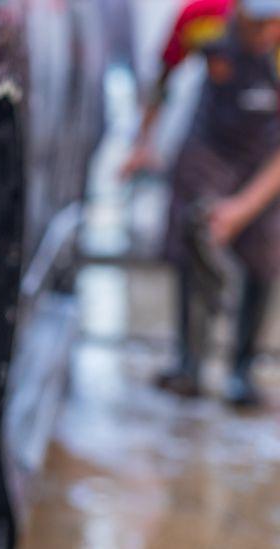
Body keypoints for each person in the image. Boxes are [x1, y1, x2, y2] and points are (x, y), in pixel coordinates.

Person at [122, 0, 280, 405]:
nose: (265, 34)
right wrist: (142, 142)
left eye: (273, 25)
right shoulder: (201, 17)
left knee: (264, 251)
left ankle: (243, 369)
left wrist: (242, 209)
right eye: (256, 25)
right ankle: (189, 364)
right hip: (209, 143)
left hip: (266, 154)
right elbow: (164, 74)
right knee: (190, 233)